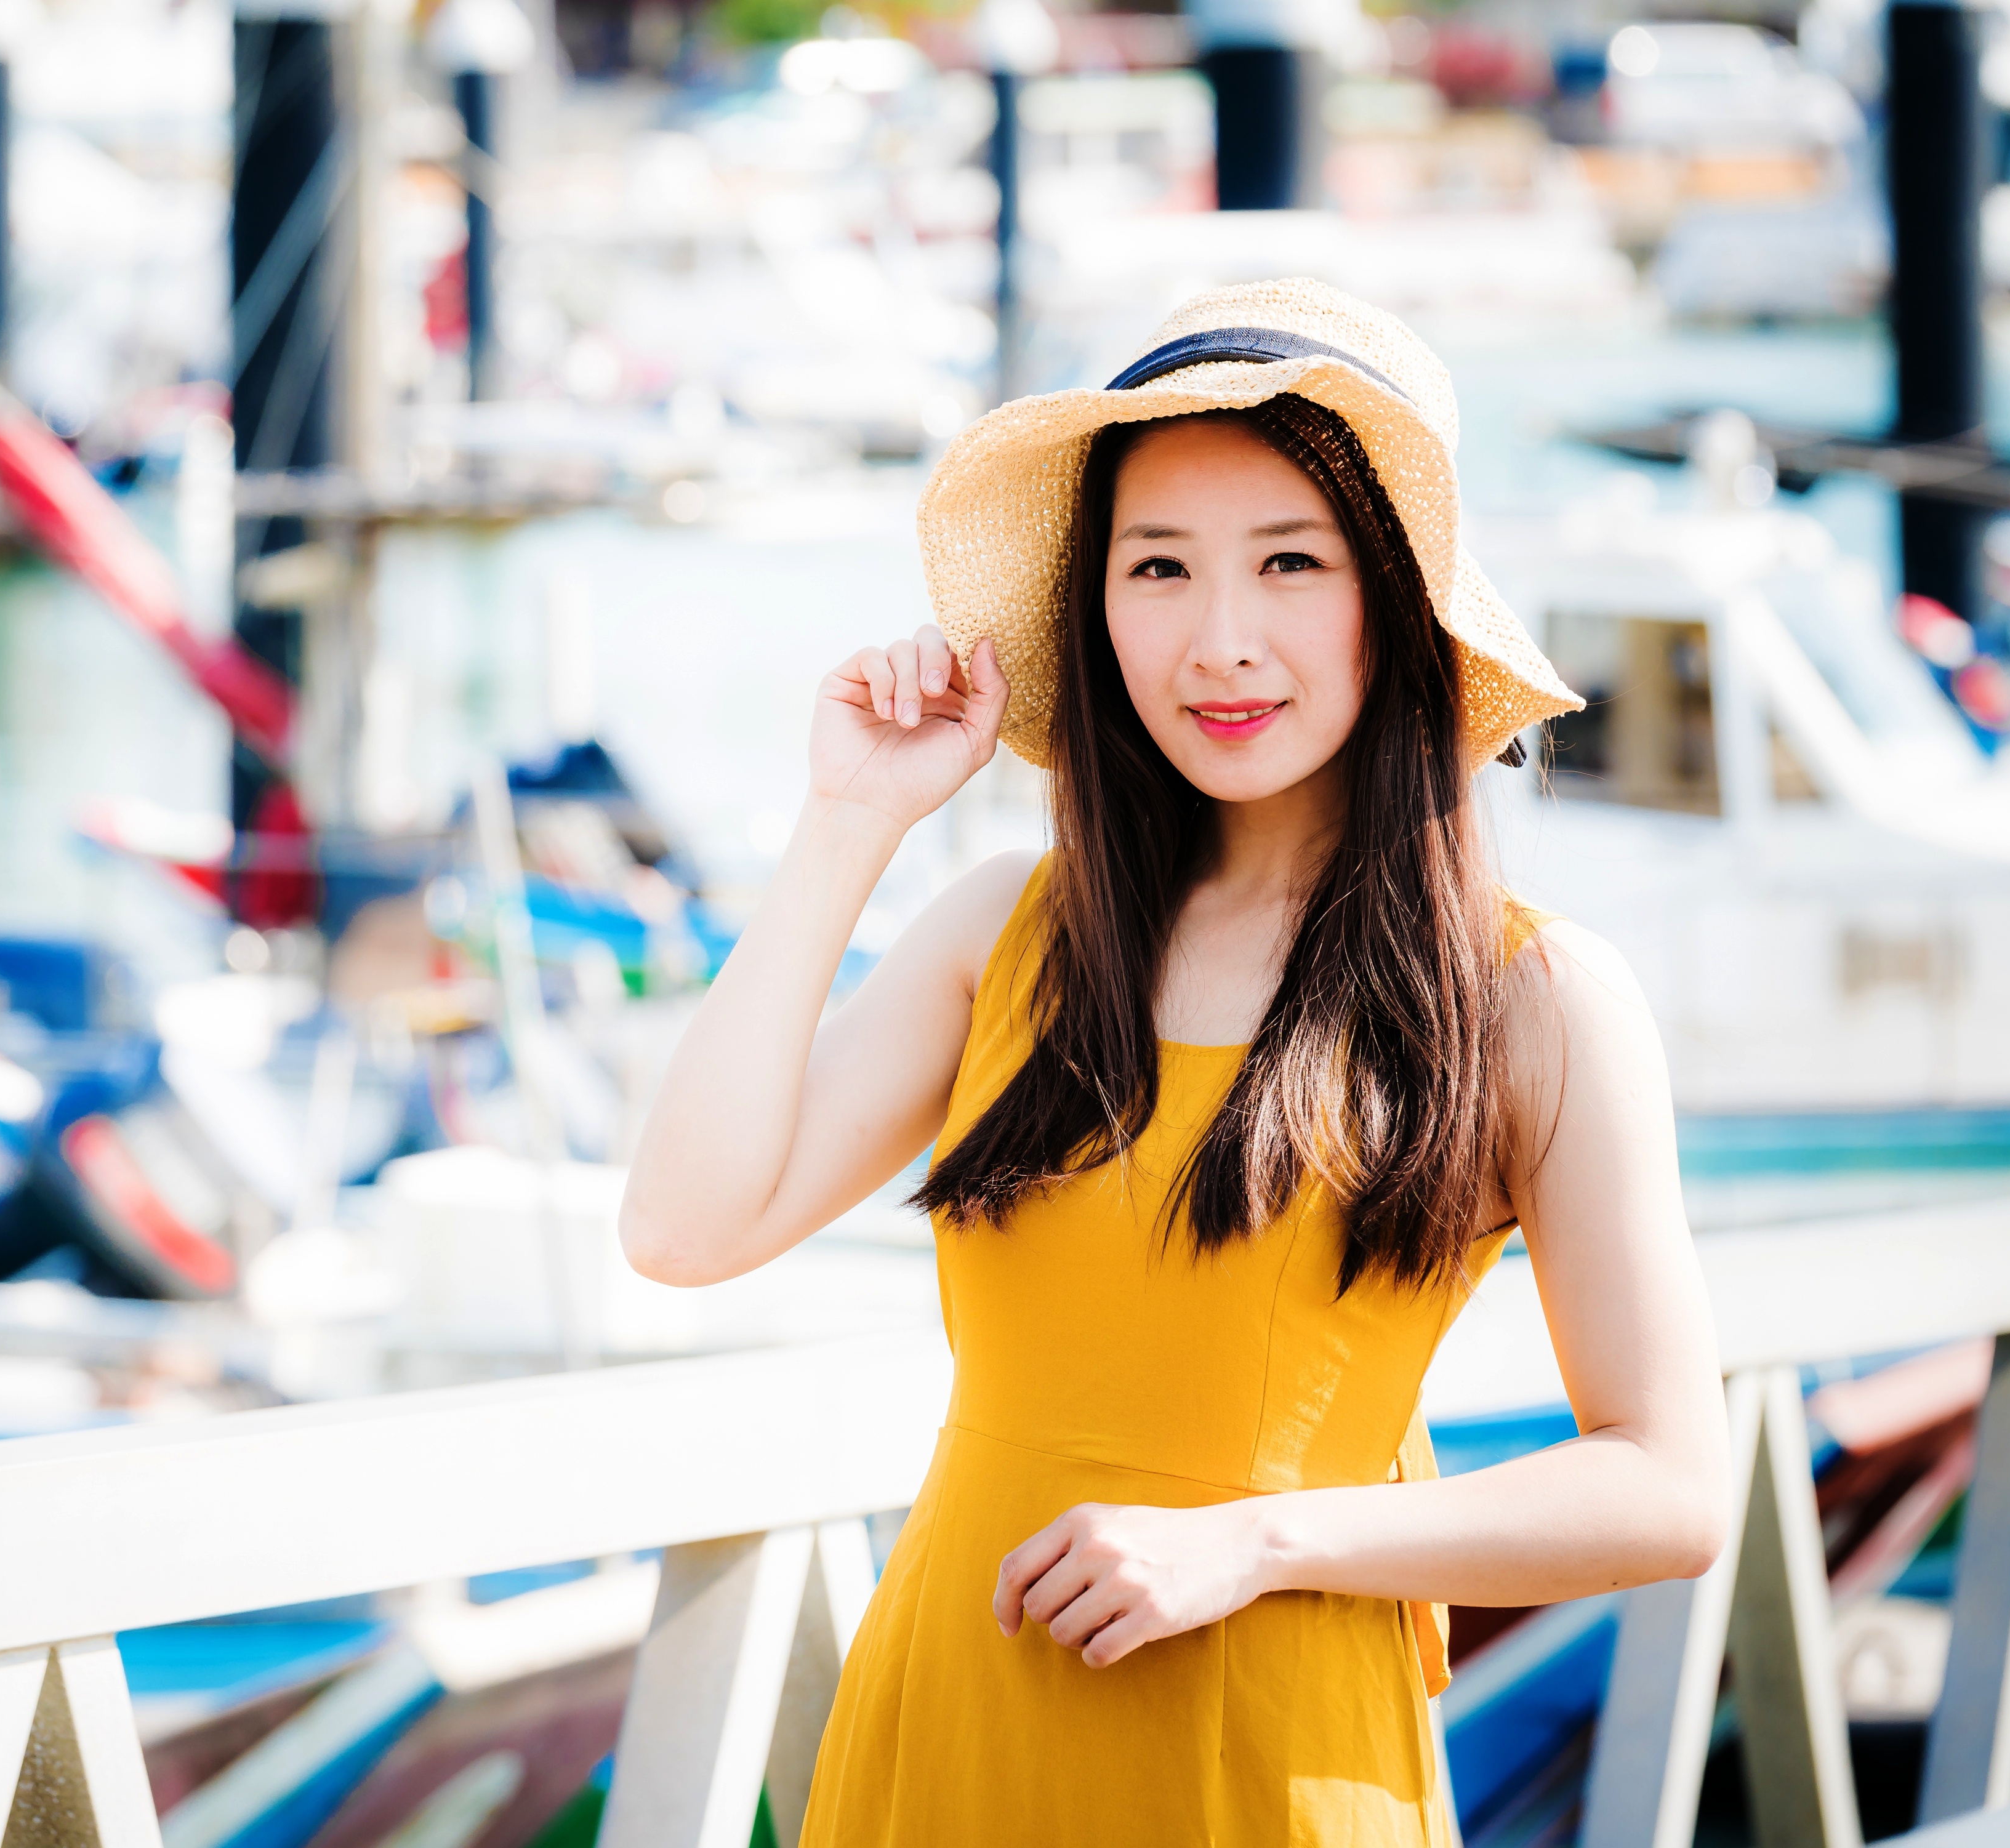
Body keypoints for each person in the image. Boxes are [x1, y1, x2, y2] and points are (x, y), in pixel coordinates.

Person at [619, 280, 1734, 1844]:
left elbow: (1672, 1485)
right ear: (1098, 608)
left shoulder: (1529, 997)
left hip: (1266, 1759)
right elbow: (683, 1229)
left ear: (1398, 600)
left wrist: (1257, 1544)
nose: (1222, 641)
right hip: (947, 1736)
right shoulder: (1010, 931)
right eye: (1160, 569)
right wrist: (850, 822)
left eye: (1292, 562)